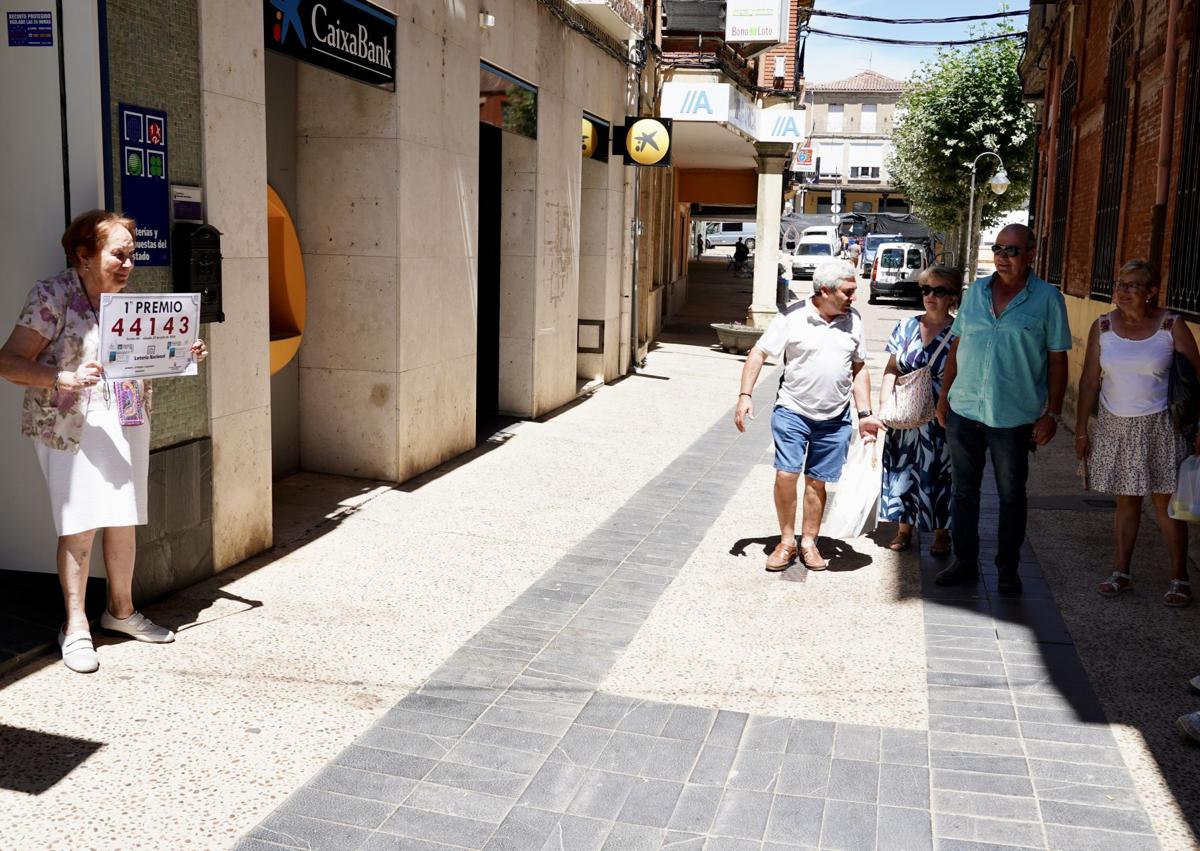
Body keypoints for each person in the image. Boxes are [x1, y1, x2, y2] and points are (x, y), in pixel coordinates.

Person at [0, 210, 209, 673]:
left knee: (124, 517)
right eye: (118, 254)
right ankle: (74, 626)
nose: (128, 264)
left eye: (132, 255)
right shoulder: (52, 295)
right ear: (83, 254)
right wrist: (63, 376)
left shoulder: (127, 301)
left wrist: (182, 353)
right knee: (79, 522)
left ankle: (120, 611)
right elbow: (9, 362)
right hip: (69, 425)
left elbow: (143, 362)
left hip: (126, 418)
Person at [934, 224, 1071, 595]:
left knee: (1011, 496)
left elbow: (1058, 360)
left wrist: (1052, 413)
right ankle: (963, 560)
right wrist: (944, 396)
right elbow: (956, 347)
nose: (1003, 256)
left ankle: (1007, 569)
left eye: (1012, 250)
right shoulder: (976, 292)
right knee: (964, 491)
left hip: (1013, 416)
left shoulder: (1047, 299)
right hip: (964, 410)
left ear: (1030, 254)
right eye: (998, 248)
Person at [734, 259, 883, 570]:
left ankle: (809, 542)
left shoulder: (853, 320)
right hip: (793, 410)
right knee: (786, 474)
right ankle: (786, 541)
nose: (853, 297)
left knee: (817, 482)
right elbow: (759, 352)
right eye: (848, 291)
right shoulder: (793, 317)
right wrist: (745, 395)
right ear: (825, 290)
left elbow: (858, 367)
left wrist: (865, 413)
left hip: (835, 417)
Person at [1074, 259, 1200, 607]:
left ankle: (1179, 578)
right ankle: (1121, 572)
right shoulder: (1103, 326)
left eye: (1133, 285)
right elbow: (1088, 382)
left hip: (1161, 425)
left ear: (1152, 291)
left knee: (1165, 504)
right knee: (1125, 501)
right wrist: (1082, 429)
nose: (1123, 291)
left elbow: (1196, 379)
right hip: (1116, 423)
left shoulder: (1171, 325)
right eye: (1120, 284)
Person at [878, 266, 961, 555]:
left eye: (939, 291)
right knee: (904, 469)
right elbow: (891, 369)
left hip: (942, 415)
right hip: (906, 414)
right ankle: (904, 529)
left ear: (952, 296)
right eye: (926, 289)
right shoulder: (905, 327)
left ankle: (941, 533)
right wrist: (884, 405)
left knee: (941, 472)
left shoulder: (960, 333)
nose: (930, 296)